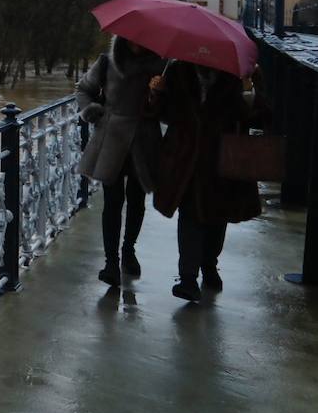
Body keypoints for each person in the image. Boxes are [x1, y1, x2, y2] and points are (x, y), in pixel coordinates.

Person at [151, 62, 263, 302]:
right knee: (189, 216)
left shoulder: (239, 72)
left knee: (217, 218)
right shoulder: (178, 70)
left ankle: (209, 265)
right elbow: (163, 114)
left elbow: (261, 117)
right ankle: (188, 279)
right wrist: (157, 93)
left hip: (221, 159)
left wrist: (248, 91)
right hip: (186, 160)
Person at [76, 36, 165, 287]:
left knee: (137, 201)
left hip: (144, 140)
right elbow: (83, 89)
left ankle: (129, 250)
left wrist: (158, 94)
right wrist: (93, 111)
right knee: (113, 202)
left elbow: (169, 110)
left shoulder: (161, 66)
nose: (137, 42)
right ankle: (111, 262)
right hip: (111, 140)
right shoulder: (108, 62)